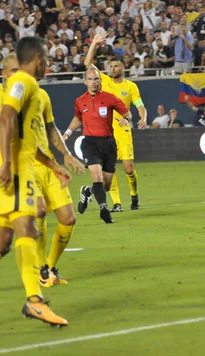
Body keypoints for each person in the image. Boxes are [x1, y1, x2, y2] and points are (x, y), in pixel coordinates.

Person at [0, 37, 71, 327]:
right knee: (27, 230)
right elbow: (6, 119)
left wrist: (54, 164)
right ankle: (35, 301)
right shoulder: (23, 82)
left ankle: (35, 301)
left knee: (4, 242)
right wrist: (6, 162)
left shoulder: (35, 92)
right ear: (38, 59)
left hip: (23, 167)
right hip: (16, 172)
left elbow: (28, 139)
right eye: (46, 60)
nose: (48, 66)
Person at [3, 54, 84, 288]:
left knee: (68, 219)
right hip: (22, 166)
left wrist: (66, 154)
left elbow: (50, 129)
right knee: (37, 212)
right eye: (14, 71)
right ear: (4, 74)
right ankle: (41, 272)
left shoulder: (40, 95)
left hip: (47, 164)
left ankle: (49, 267)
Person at [85, 32, 147, 213]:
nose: (112, 69)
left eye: (116, 66)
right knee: (108, 170)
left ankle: (134, 195)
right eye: (110, 66)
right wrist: (94, 44)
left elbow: (139, 105)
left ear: (123, 67)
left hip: (123, 131)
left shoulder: (130, 87)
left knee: (128, 168)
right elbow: (88, 64)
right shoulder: (104, 81)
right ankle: (117, 203)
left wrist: (143, 118)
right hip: (105, 133)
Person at [63, 68, 132, 224]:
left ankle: (88, 191)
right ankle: (104, 209)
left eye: (96, 79)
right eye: (90, 79)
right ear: (85, 81)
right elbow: (77, 118)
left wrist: (126, 120)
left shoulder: (110, 98)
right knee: (97, 176)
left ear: (100, 80)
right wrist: (67, 132)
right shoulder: (80, 101)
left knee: (106, 185)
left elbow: (127, 113)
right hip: (90, 143)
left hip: (108, 143)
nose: (94, 82)